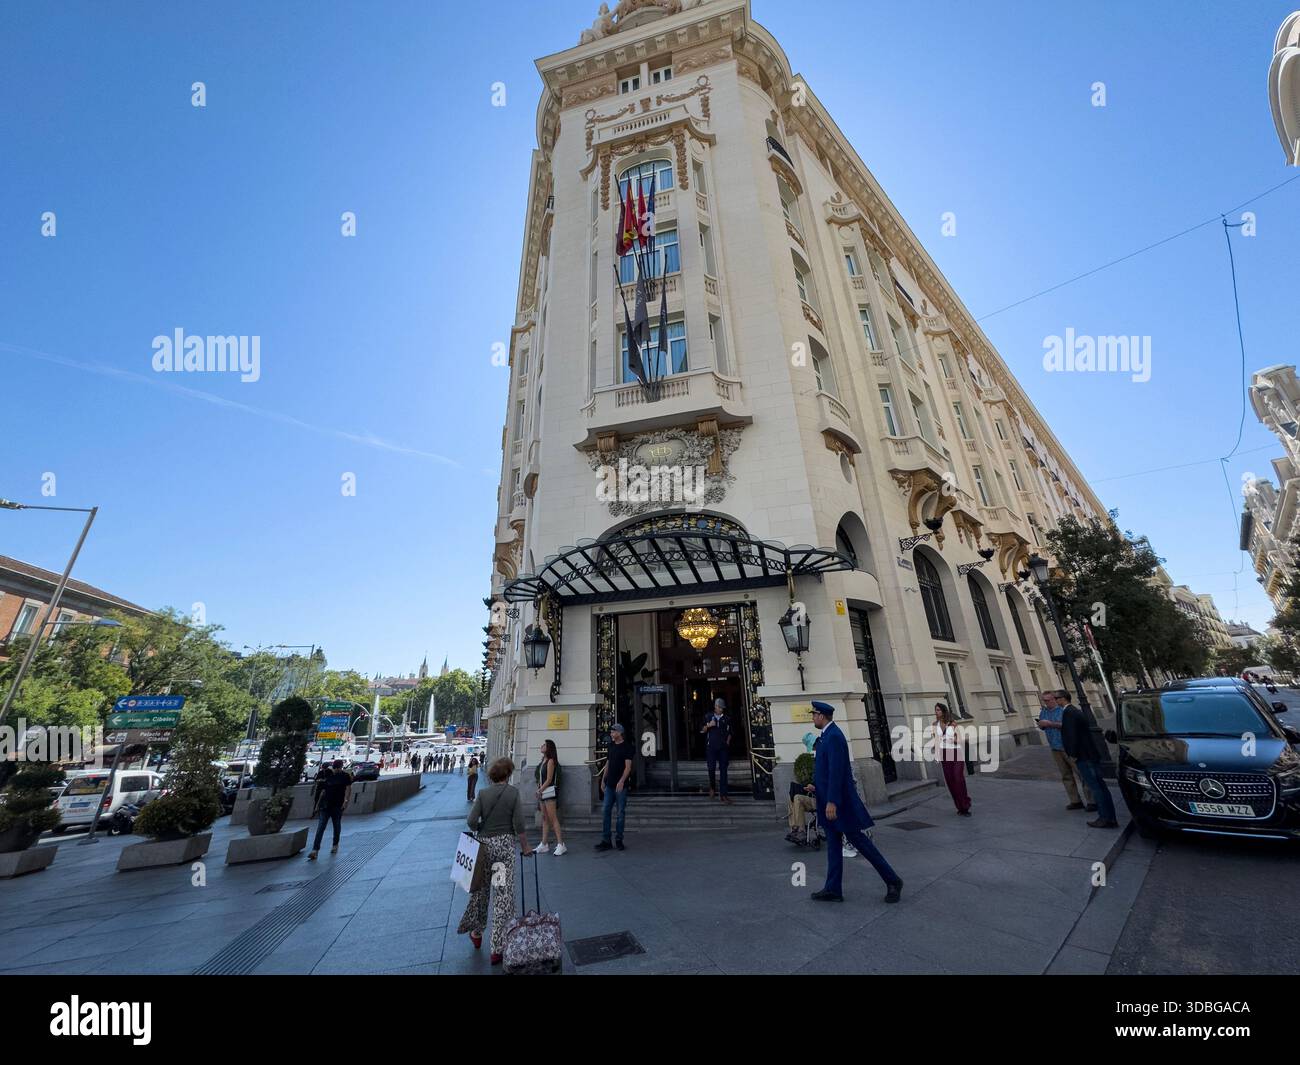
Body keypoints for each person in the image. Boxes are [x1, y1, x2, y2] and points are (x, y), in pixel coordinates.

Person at [808, 702, 903, 903]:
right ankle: (833, 888)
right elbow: (827, 772)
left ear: (822, 716)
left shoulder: (833, 736)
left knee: (861, 843)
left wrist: (832, 800)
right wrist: (819, 789)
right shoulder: (826, 735)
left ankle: (893, 880)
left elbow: (836, 772)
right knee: (833, 846)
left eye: (814, 714)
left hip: (838, 804)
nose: (812, 717)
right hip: (828, 800)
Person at [457, 757, 532, 965]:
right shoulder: (513, 793)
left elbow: (471, 821)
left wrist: (482, 827)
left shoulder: (483, 794)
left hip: (484, 850)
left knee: (480, 893)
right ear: (508, 774)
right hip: (503, 851)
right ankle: (497, 948)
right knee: (502, 895)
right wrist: (525, 847)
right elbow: (519, 823)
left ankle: (477, 932)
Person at [1056, 690, 1118, 828]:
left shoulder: (1069, 713)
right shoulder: (1075, 711)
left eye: (1056, 698)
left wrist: (1072, 754)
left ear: (1063, 699)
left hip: (1084, 756)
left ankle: (1105, 818)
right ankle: (1110, 817)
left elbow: (1072, 736)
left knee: (1096, 787)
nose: (1055, 700)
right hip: (1089, 754)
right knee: (1100, 787)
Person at [1036, 690, 1093, 810]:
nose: (1046, 703)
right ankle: (1075, 801)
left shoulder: (1063, 710)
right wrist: (1041, 725)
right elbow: (1042, 726)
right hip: (1055, 747)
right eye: (1044, 701)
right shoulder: (1044, 711)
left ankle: (1092, 801)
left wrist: (1050, 724)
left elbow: (1067, 725)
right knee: (1066, 775)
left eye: (1048, 700)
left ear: (1054, 699)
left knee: (1081, 773)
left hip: (1068, 746)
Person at [595, 722, 633, 851]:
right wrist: (603, 780)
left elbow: (628, 767)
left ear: (619, 733)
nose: (611, 734)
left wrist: (622, 781)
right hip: (610, 785)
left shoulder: (627, 747)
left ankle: (619, 839)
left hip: (620, 786)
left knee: (620, 813)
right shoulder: (611, 746)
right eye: (611, 732)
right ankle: (606, 840)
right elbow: (608, 764)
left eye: (613, 732)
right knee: (605, 811)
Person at [308, 759, 353, 860]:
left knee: (336, 826)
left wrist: (346, 801)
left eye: (338, 768)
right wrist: (317, 806)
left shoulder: (345, 776)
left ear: (341, 767)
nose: (336, 769)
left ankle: (335, 845)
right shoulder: (329, 776)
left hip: (337, 805)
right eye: (335, 768)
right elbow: (323, 791)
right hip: (325, 805)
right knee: (320, 827)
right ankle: (315, 850)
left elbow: (348, 789)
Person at [933, 702, 972, 816]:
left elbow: (959, 739)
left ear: (944, 711)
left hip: (955, 752)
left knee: (958, 779)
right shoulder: (935, 725)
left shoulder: (952, 723)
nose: (936, 712)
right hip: (944, 753)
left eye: (939, 710)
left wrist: (951, 740)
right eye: (935, 710)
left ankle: (965, 805)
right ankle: (959, 807)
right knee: (950, 781)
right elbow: (936, 740)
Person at [534, 739, 567, 856]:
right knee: (544, 818)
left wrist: (540, 790)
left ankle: (561, 844)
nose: (541, 746)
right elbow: (541, 778)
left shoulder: (551, 761)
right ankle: (544, 844)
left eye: (544, 745)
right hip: (543, 793)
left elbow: (549, 779)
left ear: (549, 748)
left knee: (553, 819)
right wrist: (539, 790)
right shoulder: (543, 760)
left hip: (549, 793)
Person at [702, 696, 733, 804]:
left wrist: (727, 742)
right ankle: (712, 787)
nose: (721, 709)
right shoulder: (708, 716)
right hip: (711, 748)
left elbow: (730, 732)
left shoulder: (727, 719)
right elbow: (702, 730)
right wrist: (709, 725)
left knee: (724, 770)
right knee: (711, 768)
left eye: (722, 708)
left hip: (723, 748)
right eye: (719, 707)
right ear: (715, 707)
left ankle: (724, 794)